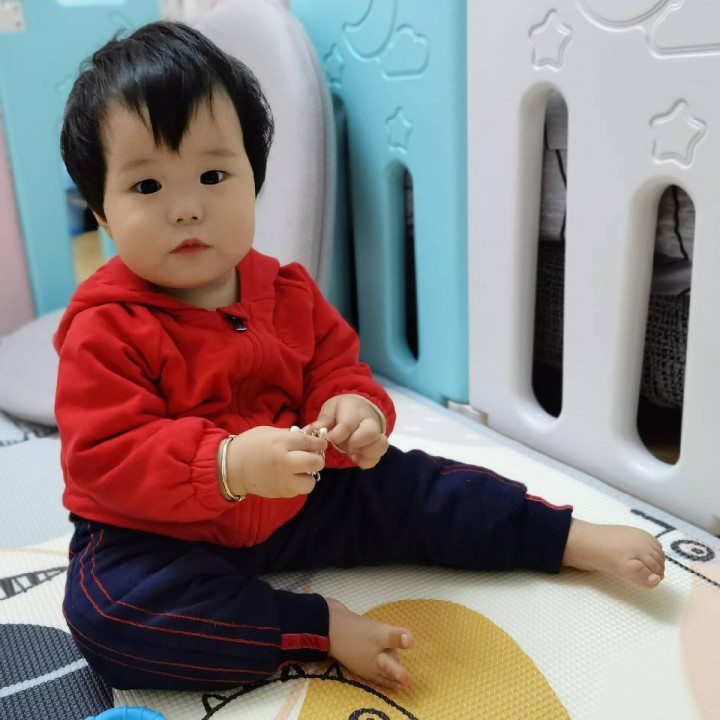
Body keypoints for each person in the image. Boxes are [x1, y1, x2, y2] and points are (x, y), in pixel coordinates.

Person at [55, 21, 665, 693]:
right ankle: (315, 628)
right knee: (107, 614)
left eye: (212, 174)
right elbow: (106, 457)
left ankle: (562, 538)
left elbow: (338, 370)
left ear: (253, 178)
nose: (187, 208)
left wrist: (354, 412)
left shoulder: (287, 290)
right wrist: (226, 464)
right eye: (148, 187)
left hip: (300, 501)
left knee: (423, 488)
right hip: (161, 530)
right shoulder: (105, 326)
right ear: (102, 211)